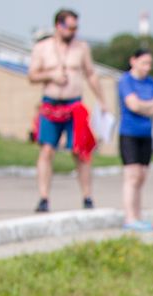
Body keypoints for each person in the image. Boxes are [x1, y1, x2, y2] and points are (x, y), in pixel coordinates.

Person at [27, 8, 106, 212]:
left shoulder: (81, 48)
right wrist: (51, 76)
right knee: (46, 151)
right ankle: (43, 197)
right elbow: (32, 76)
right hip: (51, 105)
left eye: (76, 27)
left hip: (74, 106)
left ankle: (87, 197)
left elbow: (91, 74)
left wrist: (102, 99)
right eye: (70, 27)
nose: (73, 31)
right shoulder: (42, 48)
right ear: (58, 26)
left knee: (81, 152)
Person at [118, 47, 153, 232]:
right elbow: (132, 105)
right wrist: (149, 105)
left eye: (150, 64)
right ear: (133, 61)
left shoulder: (152, 83)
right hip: (129, 134)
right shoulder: (126, 81)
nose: (147, 67)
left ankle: (138, 215)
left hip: (146, 134)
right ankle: (129, 218)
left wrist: (143, 105)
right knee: (132, 175)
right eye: (144, 63)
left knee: (142, 176)